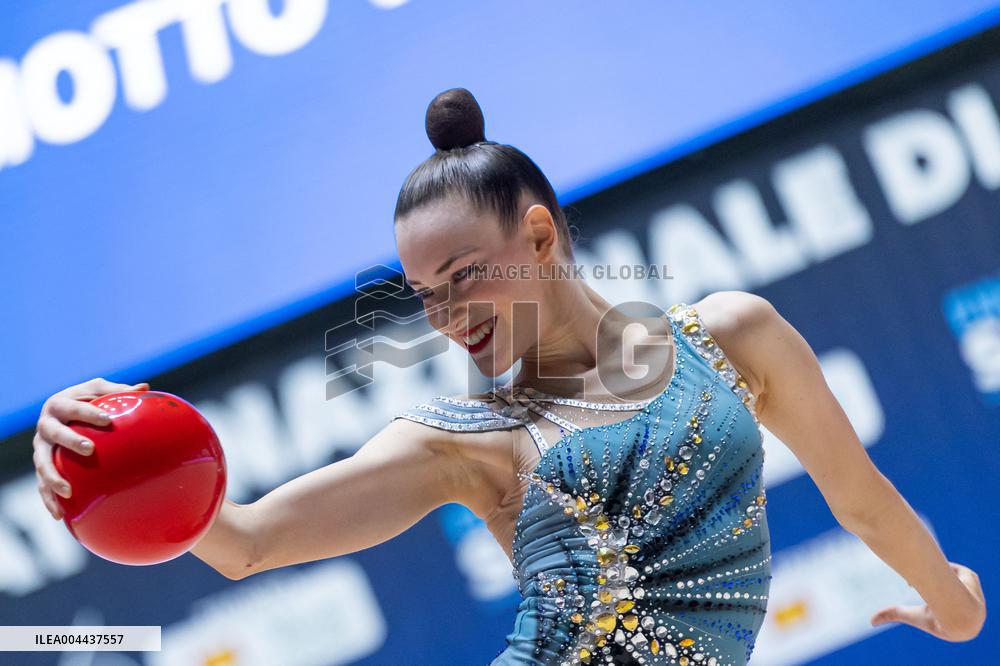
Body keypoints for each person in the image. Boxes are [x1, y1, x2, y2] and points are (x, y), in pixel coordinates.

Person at [32, 88, 985, 665]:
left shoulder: (734, 336)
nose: (443, 315)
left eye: (462, 277)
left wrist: (948, 598)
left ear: (537, 233)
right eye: (421, 295)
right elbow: (244, 543)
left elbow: (859, 499)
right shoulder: (462, 439)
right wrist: (106, 456)